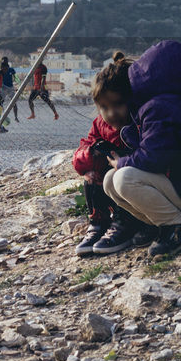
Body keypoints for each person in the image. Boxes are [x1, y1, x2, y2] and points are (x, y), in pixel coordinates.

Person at [99, 40, 181, 257]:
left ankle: (180, 227)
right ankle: (162, 224)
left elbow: (153, 158)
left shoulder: (158, 108)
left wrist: (122, 162)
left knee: (122, 178)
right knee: (109, 180)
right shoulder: (168, 103)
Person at [72, 53, 139, 255]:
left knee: (117, 175)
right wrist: (88, 164)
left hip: (131, 182)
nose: (111, 113)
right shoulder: (100, 124)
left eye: (117, 104)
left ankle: (125, 221)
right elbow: (85, 145)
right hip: (110, 183)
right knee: (93, 175)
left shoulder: (138, 121)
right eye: (104, 107)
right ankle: (98, 222)